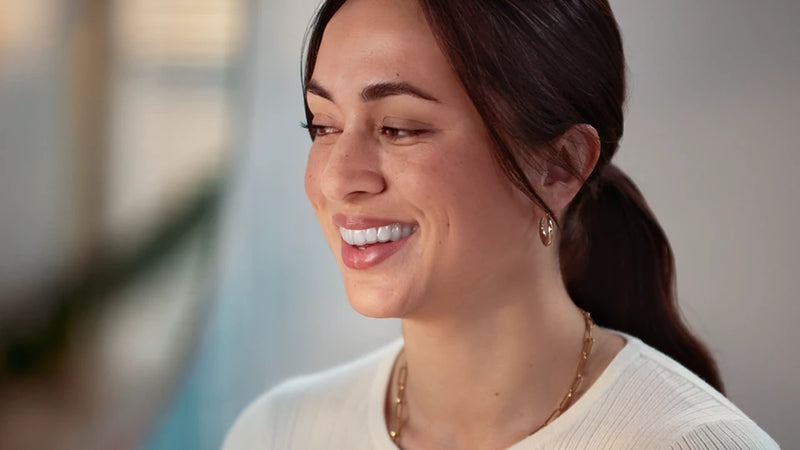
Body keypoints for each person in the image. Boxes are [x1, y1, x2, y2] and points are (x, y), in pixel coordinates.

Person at [224, 0, 779, 448]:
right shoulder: (276, 432)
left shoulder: (690, 441)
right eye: (322, 126)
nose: (338, 178)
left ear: (559, 167)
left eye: (399, 128)